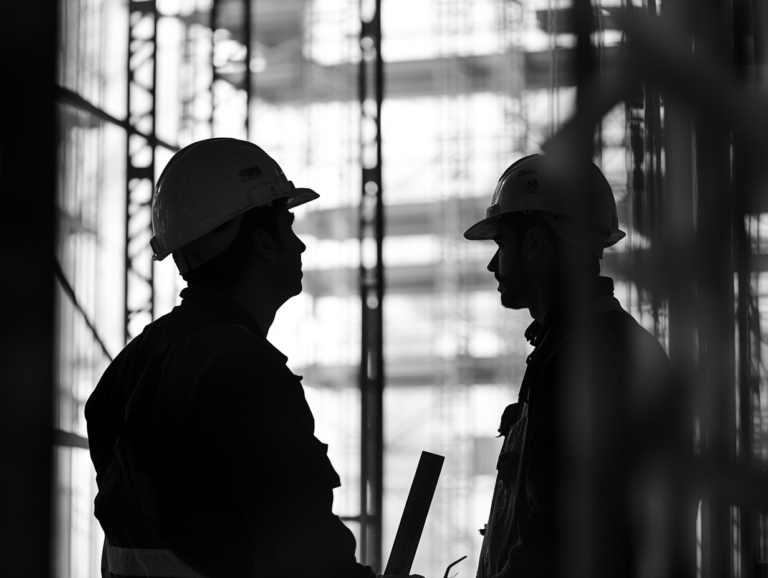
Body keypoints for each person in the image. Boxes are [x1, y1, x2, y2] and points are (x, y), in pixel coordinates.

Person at [86, 138, 421, 578]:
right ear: (263, 242)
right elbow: (308, 558)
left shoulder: (131, 365)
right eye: (288, 226)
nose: (300, 247)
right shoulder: (243, 369)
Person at [464, 154, 682, 578]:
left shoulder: (579, 355)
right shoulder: (607, 342)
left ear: (534, 243)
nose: (493, 264)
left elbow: (556, 534)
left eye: (501, 244)